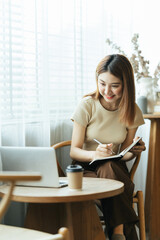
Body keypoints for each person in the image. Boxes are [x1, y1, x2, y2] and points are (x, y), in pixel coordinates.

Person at [70, 54, 146, 240]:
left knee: (109, 166)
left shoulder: (131, 110)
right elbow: (74, 150)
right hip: (85, 168)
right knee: (110, 172)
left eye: (115, 85)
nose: (107, 90)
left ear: (126, 84)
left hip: (114, 167)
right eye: (102, 83)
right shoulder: (87, 105)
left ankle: (115, 231)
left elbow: (124, 154)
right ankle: (118, 232)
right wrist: (95, 154)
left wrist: (133, 151)